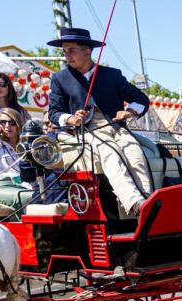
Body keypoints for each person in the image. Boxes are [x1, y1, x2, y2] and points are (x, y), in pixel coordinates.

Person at [47, 27, 151, 217]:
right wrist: (70, 118)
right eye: (64, 51)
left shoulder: (112, 75)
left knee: (134, 153)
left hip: (117, 127)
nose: (66, 56)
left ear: (88, 50)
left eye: (71, 50)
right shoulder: (60, 78)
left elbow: (141, 99)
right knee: (109, 152)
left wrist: (128, 112)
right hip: (86, 131)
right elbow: (53, 112)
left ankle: (148, 202)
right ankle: (136, 204)